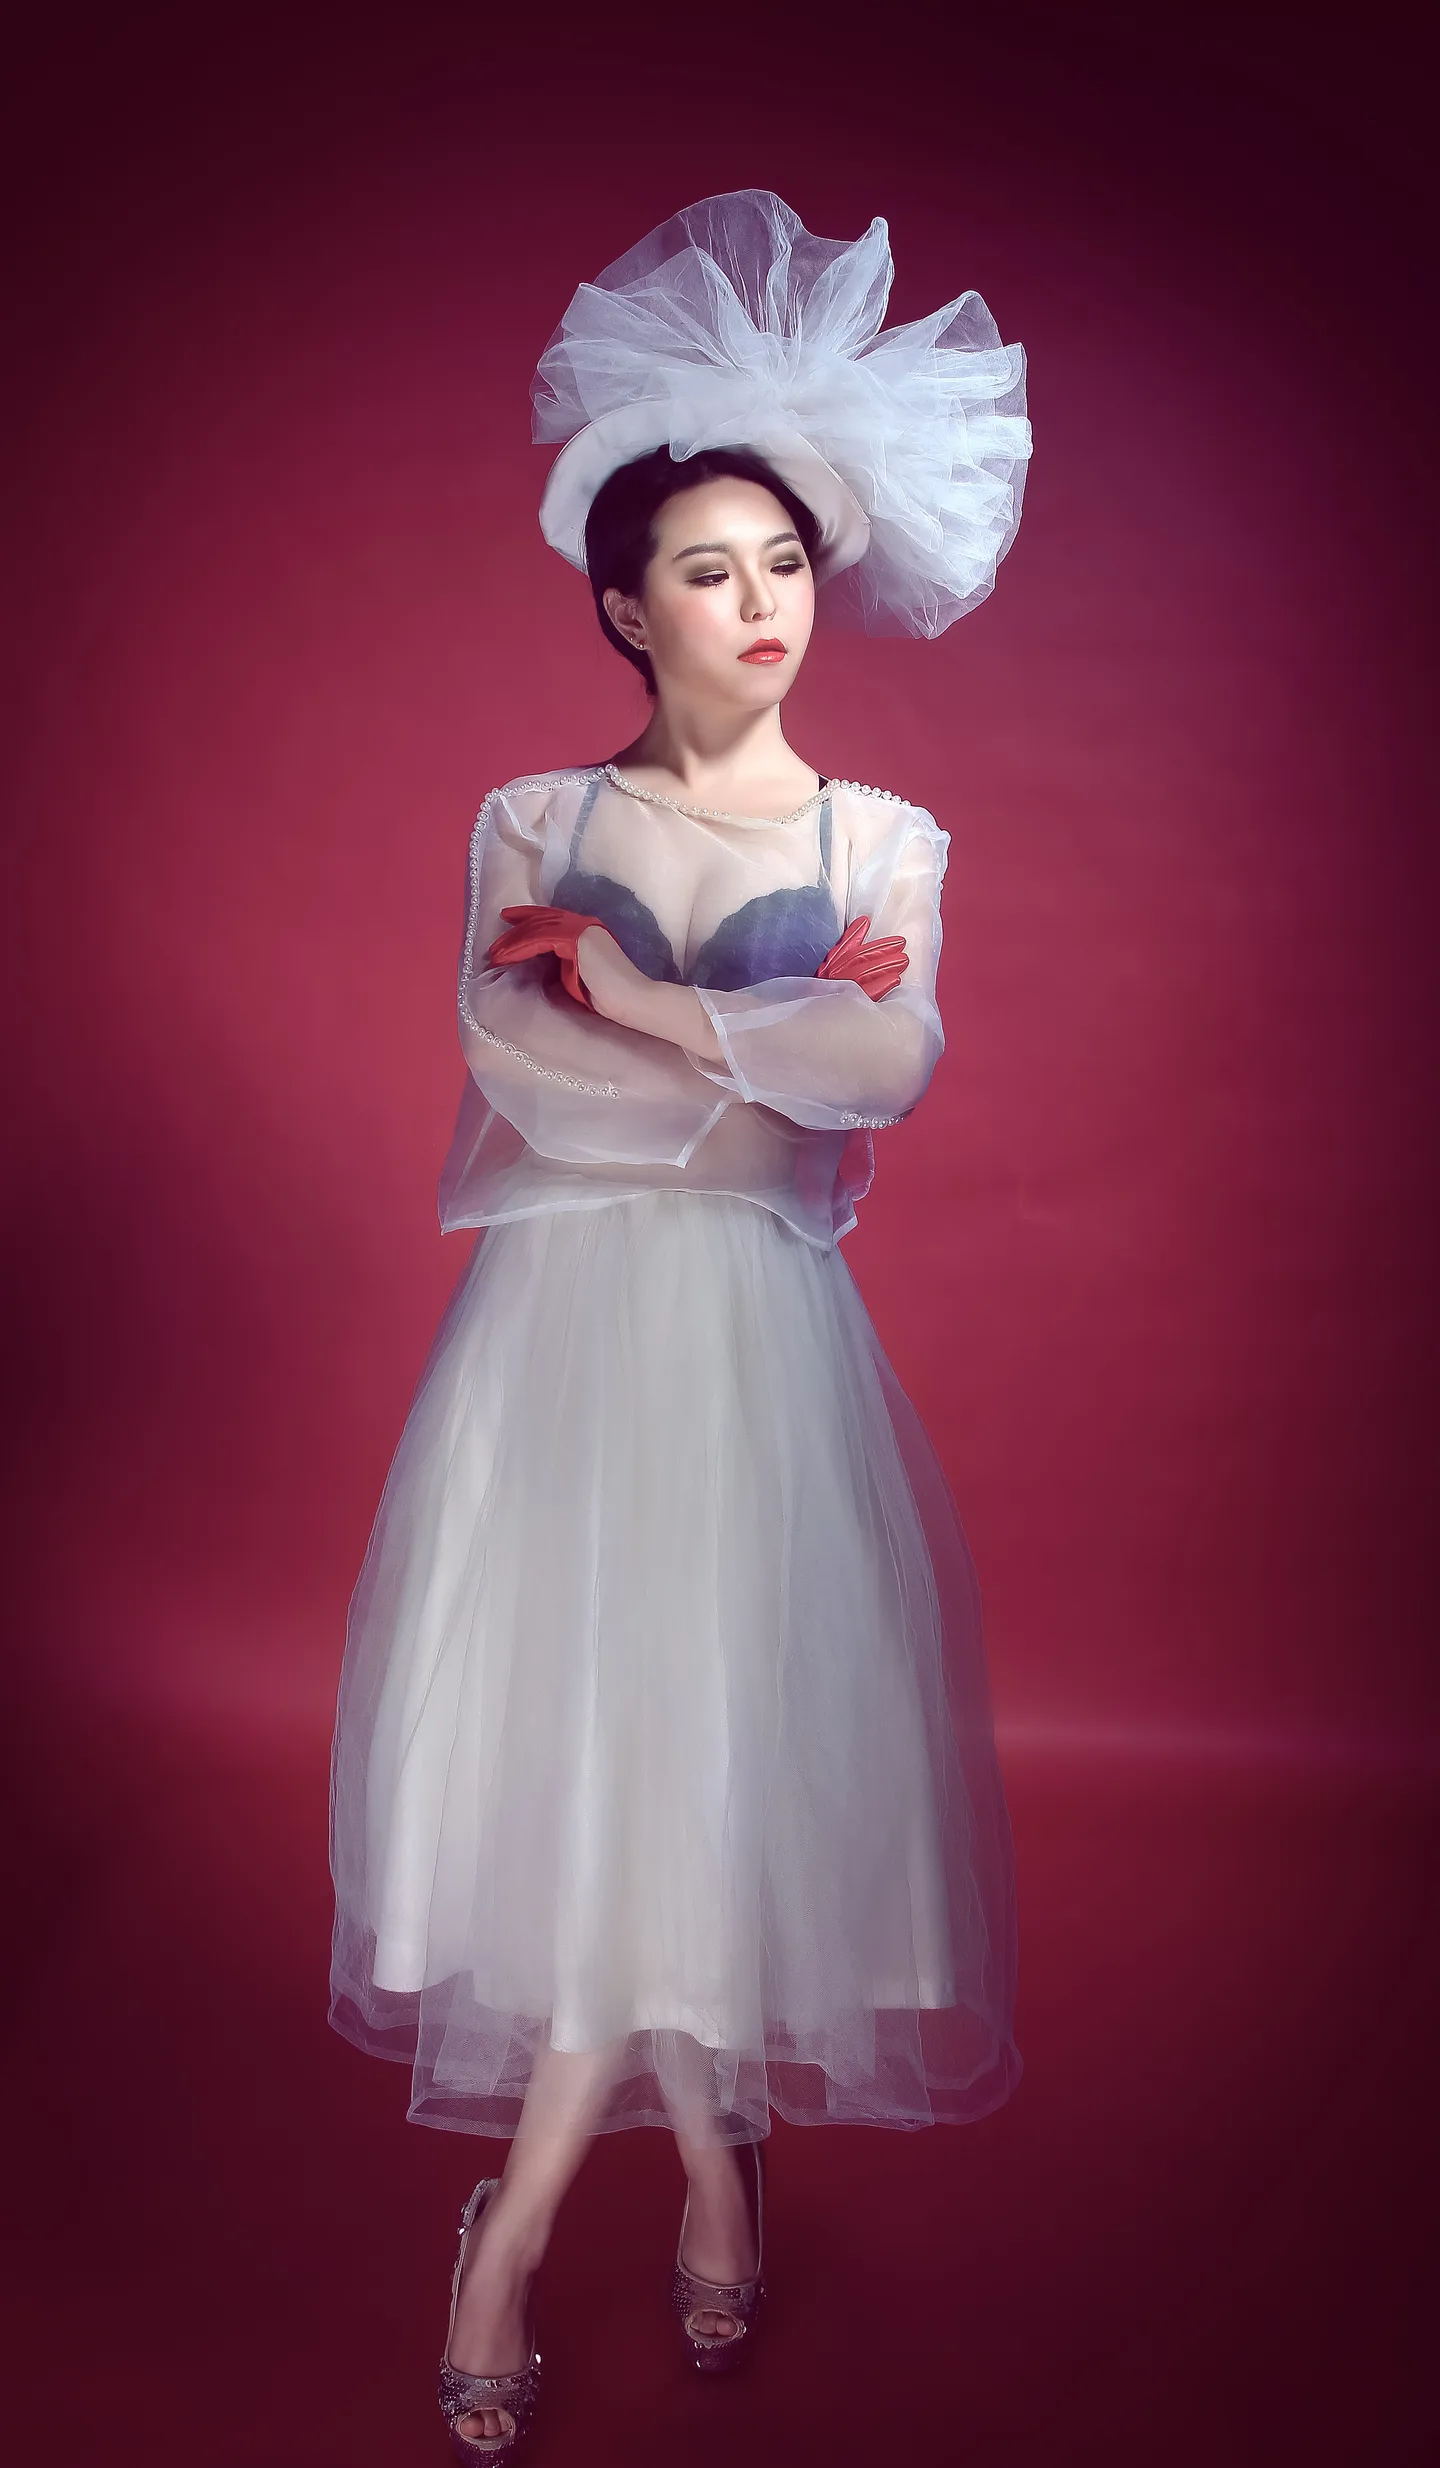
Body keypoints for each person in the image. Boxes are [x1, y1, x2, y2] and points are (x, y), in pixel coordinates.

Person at [327, 190, 1034, 2457]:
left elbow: (884, 1061)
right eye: (708, 570)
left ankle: (565, 2213)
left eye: (785, 562)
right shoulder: (533, 814)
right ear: (627, 605)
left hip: (758, 1347)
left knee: (715, 1754)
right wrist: (731, 1050)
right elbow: (515, 1068)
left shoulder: (888, 837)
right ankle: (609, 2202)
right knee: (615, 1763)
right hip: (566, 1347)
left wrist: (637, 994)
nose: (759, 604)